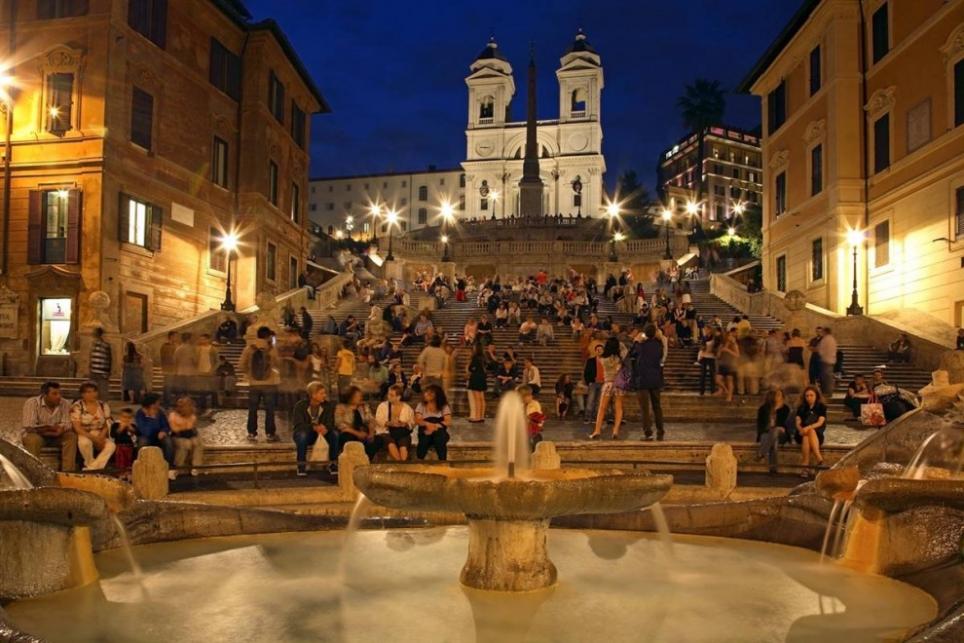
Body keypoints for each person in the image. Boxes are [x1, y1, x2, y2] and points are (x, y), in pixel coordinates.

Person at [21, 381, 78, 472]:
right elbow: (29, 425)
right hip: (38, 435)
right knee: (32, 440)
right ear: (44, 395)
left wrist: (61, 429)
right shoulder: (32, 403)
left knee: (71, 437)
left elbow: (67, 423)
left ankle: (68, 472)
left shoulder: (65, 403)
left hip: (58, 435)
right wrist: (48, 430)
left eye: (59, 393)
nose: (58, 396)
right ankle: (33, 472)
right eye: (54, 394)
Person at [238, 326, 281, 442]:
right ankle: (270, 433)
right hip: (270, 384)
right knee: (270, 409)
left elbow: (241, 365)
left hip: (254, 384)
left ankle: (251, 432)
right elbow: (278, 364)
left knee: (252, 409)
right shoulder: (272, 349)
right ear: (268, 336)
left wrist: (250, 374)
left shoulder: (249, 348)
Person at [292, 381, 338, 475]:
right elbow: (299, 424)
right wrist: (314, 427)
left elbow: (331, 422)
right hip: (306, 433)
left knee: (334, 434)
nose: (324, 395)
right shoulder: (300, 406)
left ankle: (333, 464)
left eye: (324, 393)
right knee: (302, 435)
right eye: (321, 393)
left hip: (322, 433)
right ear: (313, 395)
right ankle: (301, 466)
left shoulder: (328, 406)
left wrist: (325, 428)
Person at [70, 381, 115, 472]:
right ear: (83, 394)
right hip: (84, 433)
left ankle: (92, 468)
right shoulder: (77, 406)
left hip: (99, 432)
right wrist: (93, 438)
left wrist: (101, 436)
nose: (93, 394)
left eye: (94, 391)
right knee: (85, 443)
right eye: (89, 392)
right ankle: (91, 464)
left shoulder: (103, 405)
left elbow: (107, 423)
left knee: (111, 446)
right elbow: (77, 427)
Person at [631, 325, 665, 441]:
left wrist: (636, 341)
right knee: (657, 406)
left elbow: (632, 354)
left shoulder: (640, 345)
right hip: (655, 379)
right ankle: (660, 431)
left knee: (645, 408)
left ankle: (648, 433)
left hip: (643, 379)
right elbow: (660, 356)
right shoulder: (658, 345)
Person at [589, 337, 625, 440]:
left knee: (602, 408)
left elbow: (597, 353)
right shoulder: (619, 359)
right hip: (618, 385)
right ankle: (615, 431)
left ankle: (597, 430)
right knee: (618, 408)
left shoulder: (603, 359)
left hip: (608, 384)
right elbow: (624, 349)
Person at [335, 385, 382, 460]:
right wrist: (357, 433)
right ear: (350, 397)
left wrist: (371, 433)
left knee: (378, 440)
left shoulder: (364, 406)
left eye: (360, 395)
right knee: (347, 437)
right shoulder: (341, 407)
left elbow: (371, 420)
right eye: (357, 396)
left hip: (364, 432)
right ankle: (354, 460)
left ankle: (366, 460)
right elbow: (340, 424)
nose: (360, 398)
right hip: (351, 433)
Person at [134, 393, 175, 473]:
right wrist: (151, 417)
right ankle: (141, 465)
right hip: (146, 436)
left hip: (159, 435)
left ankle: (168, 466)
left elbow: (166, 426)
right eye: (157, 402)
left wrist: (163, 431)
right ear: (152, 404)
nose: (159, 404)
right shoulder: (141, 413)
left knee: (168, 441)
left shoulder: (160, 412)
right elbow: (145, 431)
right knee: (143, 442)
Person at [755, 388, 791, 475]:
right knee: (774, 442)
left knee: (776, 430)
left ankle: (761, 453)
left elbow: (787, 425)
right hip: (767, 433)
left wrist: (780, 427)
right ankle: (773, 469)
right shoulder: (763, 409)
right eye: (775, 394)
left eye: (779, 395)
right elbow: (760, 425)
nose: (777, 397)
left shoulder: (785, 409)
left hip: (782, 433)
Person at [376, 384, 416, 462]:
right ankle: (400, 464)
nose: (388, 397)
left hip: (401, 433)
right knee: (390, 441)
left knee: (404, 443)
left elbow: (412, 423)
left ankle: (403, 464)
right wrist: (390, 423)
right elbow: (378, 419)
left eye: (391, 395)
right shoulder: (382, 406)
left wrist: (405, 424)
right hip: (386, 432)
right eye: (388, 394)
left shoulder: (407, 408)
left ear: (398, 397)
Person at [795, 386, 827, 478]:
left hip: (817, 434)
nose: (809, 397)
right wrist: (801, 429)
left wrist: (808, 428)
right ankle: (820, 460)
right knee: (806, 434)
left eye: (811, 395)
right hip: (801, 433)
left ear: (816, 396)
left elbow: (820, 422)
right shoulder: (801, 407)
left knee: (810, 432)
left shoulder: (821, 407)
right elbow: (797, 422)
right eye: (807, 396)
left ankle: (805, 466)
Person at [415, 384, 452, 461]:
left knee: (440, 438)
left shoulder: (444, 406)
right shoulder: (421, 405)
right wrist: (428, 425)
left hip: (438, 428)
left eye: (429, 393)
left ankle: (442, 461)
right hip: (425, 428)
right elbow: (418, 420)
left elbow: (448, 421)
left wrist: (434, 426)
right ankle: (419, 460)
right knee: (424, 439)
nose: (426, 394)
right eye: (426, 392)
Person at [168, 396, 203, 478]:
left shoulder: (192, 416)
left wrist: (186, 429)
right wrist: (186, 429)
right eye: (180, 405)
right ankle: (177, 467)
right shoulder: (173, 415)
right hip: (177, 437)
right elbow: (175, 430)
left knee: (198, 443)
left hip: (189, 436)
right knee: (186, 444)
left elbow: (192, 429)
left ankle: (195, 466)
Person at [110, 408, 137, 481]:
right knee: (121, 461)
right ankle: (121, 474)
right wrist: (121, 428)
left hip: (130, 446)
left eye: (129, 417)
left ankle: (128, 474)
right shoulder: (116, 425)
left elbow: (137, 433)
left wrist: (131, 428)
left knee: (129, 461)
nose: (126, 419)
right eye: (124, 417)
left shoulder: (132, 426)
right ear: (120, 417)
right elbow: (113, 435)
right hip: (120, 446)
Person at [582, 343, 606, 424]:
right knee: (590, 400)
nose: (599, 351)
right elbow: (586, 372)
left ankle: (597, 417)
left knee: (600, 402)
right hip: (593, 383)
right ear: (595, 351)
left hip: (603, 383)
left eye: (601, 350)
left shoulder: (606, 361)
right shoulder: (591, 361)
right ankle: (588, 417)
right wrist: (589, 382)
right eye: (597, 350)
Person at [88, 327, 113, 401]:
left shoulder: (105, 345)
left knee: (102, 391)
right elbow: (91, 357)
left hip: (102, 372)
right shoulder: (93, 344)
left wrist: (108, 372)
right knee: (93, 390)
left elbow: (109, 358)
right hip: (94, 371)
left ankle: (103, 405)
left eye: (95, 332)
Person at [519, 385, 545, 452]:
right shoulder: (518, 405)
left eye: (531, 395)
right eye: (528, 395)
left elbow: (539, 417)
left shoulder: (535, 404)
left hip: (533, 429)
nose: (531, 397)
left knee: (535, 438)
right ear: (522, 397)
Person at [466, 343, 488, 423]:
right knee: (482, 398)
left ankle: (477, 417)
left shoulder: (475, 358)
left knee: (477, 399)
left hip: (476, 378)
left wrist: (470, 366)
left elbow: (471, 368)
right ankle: (482, 416)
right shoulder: (484, 358)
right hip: (482, 378)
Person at [716, 329, 739, 402]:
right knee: (717, 380)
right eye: (728, 336)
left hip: (730, 364)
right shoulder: (722, 345)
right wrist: (719, 351)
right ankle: (725, 389)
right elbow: (718, 356)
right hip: (722, 364)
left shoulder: (734, 345)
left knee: (729, 381)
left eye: (731, 336)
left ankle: (729, 396)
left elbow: (737, 355)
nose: (730, 337)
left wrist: (728, 350)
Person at [817, 326, 838, 397]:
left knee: (825, 378)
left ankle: (826, 393)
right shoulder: (833, 339)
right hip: (831, 361)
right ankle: (829, 392)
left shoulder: (825, 339)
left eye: (823, 331)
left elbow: (821, 351)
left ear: (825, 332)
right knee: (829, 377)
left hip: (825, 361)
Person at [159, 331, 179, 405]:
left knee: (172, 386)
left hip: (175, 369)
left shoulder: (176, 345)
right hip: (168, 369)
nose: (177, 338)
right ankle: (167, 401)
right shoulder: (166, 346)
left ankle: (169, 401)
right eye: (175, 336)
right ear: (171, 336)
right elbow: (166, 358)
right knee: (168, 386)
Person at [697, 326, 717, 396]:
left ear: (710, 330)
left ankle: (713, 390)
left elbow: (715, 347)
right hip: (704, 357)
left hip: (712, 357)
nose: (705, 331)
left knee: (712, 374)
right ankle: (702, 391)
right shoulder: (704, 338)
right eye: (705, 330)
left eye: (707, 329)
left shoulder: (714, 338)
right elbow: (702, 347)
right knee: (703, 374)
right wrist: (701, 353)